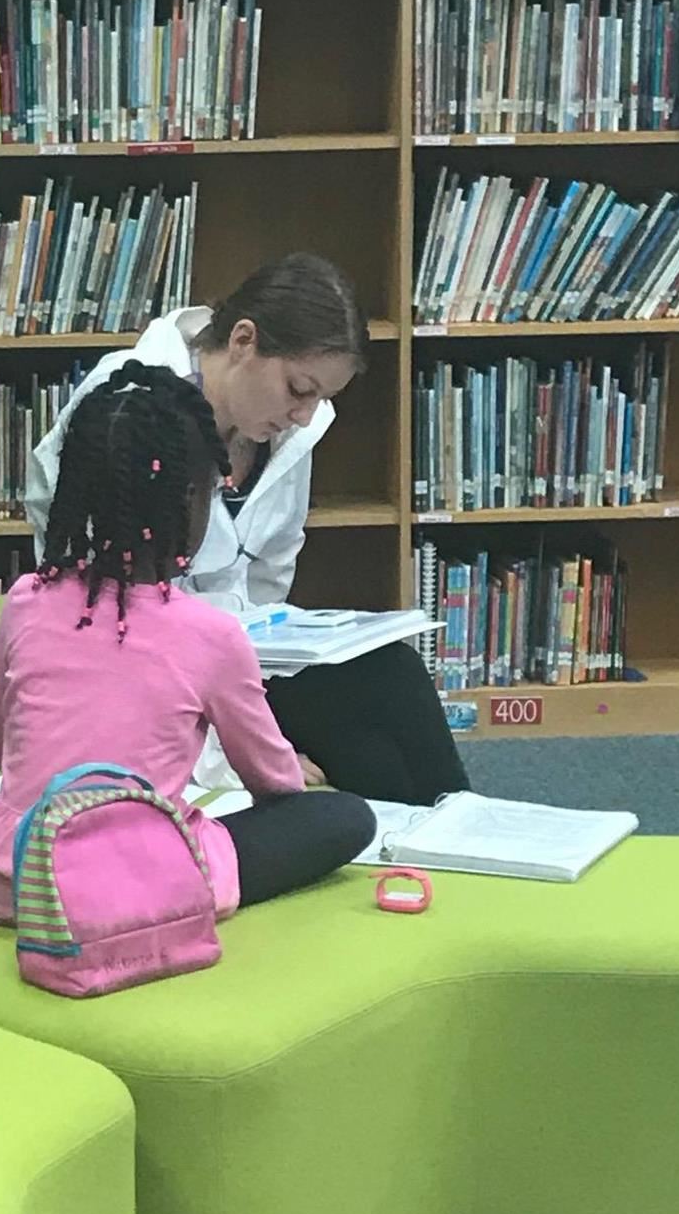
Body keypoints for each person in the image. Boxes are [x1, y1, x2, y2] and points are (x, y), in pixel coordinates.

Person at [25, 252, 470, 806]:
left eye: (323, 399)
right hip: (149, 682)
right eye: (298, 389)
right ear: (242, 340)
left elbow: (272, 568)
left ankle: (460, 830)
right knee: (354, 766)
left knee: (390, 677)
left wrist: (277, 663)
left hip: (236, 664)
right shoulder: (128, 413)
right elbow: (125, 632)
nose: (305, 415)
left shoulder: (289, 432)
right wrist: (231, 754)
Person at [0, 363, 375, 931]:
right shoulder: (208, 633)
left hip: (13, 883)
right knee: (344, 817)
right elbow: (273, 781)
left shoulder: (27, 601)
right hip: (130, 892)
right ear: (190, 501)